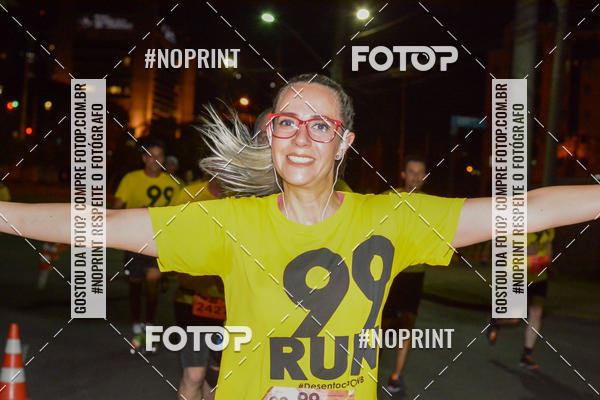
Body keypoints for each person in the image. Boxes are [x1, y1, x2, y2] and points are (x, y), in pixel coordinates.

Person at [1, 74, 599, 399]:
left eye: (321, 125)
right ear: (271, 137)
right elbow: (100, 225)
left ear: (344, 144)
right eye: (287, 122)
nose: (302, 137)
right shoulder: (230, 223)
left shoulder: (391, 219)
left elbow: (523, 209)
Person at [112, 138, 179, 340]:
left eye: (159, 156)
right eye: (151, 156)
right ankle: (135, 322)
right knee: (135, 283)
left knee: (152, 285)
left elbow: (180, 214)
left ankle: (148, 322)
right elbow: (117, 207)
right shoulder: (131, 179)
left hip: (159, 242)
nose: (155, 160)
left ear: (163, 159)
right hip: (134, 241)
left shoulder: (173, 184)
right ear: (144, 158)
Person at [172, 178, 224, 400]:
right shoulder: (189, 196)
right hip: (194, 301)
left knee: (221, 375)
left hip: (236, 305)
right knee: (194, 375)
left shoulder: (252, 195)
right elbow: (169, 238)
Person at [382, 154, 428, 395]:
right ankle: (370, 367)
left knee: (408, 323)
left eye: (420, 172)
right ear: (403, 174)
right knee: (383, 323)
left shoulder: (431, 204)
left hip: (415, 273)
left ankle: (396, 376)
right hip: (389, 272)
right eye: (411, 171)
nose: (416, 177)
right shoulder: (388, 198)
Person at [488, 228, 555, 371]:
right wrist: (529, 258)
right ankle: (496, 322)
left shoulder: (549, 226)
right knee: (515, 319)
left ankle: (527, 355)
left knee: (536, 313)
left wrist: (548, 263)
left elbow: (548, 245)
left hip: (539, 277)